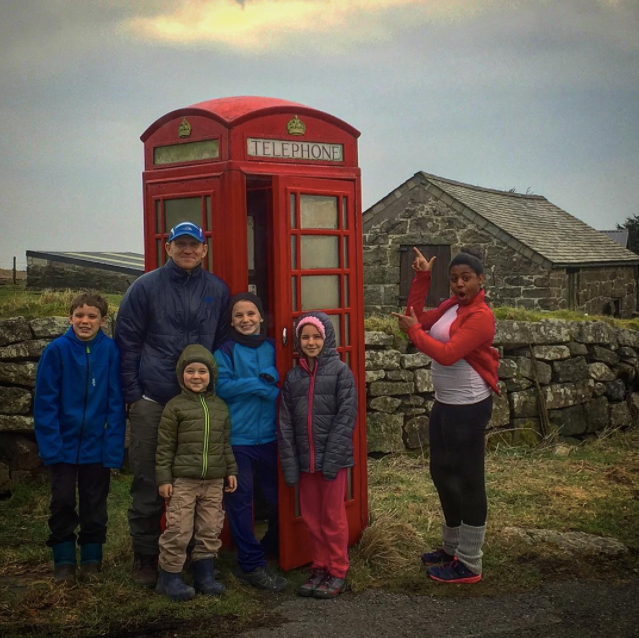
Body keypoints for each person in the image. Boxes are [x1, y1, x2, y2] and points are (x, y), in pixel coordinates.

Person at [115, 221, 230, 587]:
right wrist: (133, 395)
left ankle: (200, 560)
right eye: (180, 244)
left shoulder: (217, 290)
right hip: (154, 398)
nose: (187, 250)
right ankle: (147, 558)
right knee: (150, 480)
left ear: (204, 249)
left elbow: (225, 343)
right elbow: (127, 343)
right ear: (167, 248)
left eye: (193, 244)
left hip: (200, 403)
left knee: (201, 481)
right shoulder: (145, 287)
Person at [393, 247, 499, 584]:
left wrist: (413, 333)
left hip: (468, 406)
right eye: (454, 278)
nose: (459, 284)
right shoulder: (451, 306)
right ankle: (452, 549)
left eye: (466, 278)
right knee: (442, 474)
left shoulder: (481, 315)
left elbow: (449, 353)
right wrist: (422, 277)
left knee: (469, 481)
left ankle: (470, 562)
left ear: (480, 280)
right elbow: (414, 317)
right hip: (445, 403)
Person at [34, 292, 126, 583]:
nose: (85, 321)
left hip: (96, 446)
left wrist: (112, 449)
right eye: (80, 316)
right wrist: (51, 446)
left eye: (92, 316)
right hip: (62, 445)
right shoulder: (56, 350)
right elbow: (45, 402)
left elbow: (115, 402)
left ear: (102, 320)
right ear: (70, 317)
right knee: (61, 501)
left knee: (94, 504)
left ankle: (91, 561)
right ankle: (63, 561)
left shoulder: (110, 351)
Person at [278, 312, 357, 598]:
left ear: (327, 339)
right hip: (304, 460)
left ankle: (338, 569)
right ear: (298, 341)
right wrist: (290, 463)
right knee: (311, 518)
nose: (311, 342)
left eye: (316, 336)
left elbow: (346, 418)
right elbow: (285, 423)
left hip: (331, 460)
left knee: (332, 518)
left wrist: (333, 458)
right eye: (305, 337)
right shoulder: (292, 377)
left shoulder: (341, 373)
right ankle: (320, 565)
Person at [214, 292, 287, 592]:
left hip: (272, 436)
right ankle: (251, 563)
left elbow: (283, 384)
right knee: (240, 502)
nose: (245, 320)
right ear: (231, 321)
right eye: (239, 316)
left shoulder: (274, 347)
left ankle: (274, 545)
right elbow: (221, 387)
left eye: (251, 314)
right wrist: (262, 382)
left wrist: (268, 382)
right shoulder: (225, 350)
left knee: (280, 497)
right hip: (238, 439)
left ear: (261, 317)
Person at [155, 344, 238, 602]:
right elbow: (165, 446)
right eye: (190, 371)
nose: (196, 376)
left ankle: (205, 577)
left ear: (211, 375)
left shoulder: (220, 407)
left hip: (214, 480)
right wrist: (164, 479)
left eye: (202, 371)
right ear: (181, 375)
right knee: (178, 528)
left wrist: (231, 470)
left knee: (210, 528)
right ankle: (169, 578)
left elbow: (225, 443)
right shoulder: (175, 407)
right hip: (184, 480)